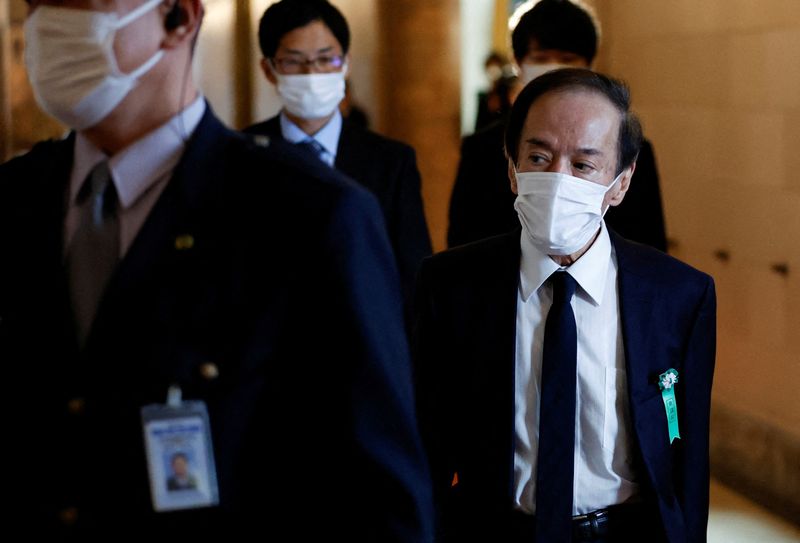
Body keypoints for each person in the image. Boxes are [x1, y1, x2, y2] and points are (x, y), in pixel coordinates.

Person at [1, 1, 433, 540]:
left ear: (179, 18)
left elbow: (381, 501)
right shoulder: (14, 202)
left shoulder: (306, 213)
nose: (46, 22)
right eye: (40, 2)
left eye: (80, 1)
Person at [414, 69, 716, 542]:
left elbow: (688, 457)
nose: (557, 179)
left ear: (620, 184)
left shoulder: (677, 295)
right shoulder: (448, 286)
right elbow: (424, 443)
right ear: (512, 169)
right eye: (539, 156)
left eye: (583, 165)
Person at [245, 0, 432, 312]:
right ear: (269, 69)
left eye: (325, 59)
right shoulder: (241, 153)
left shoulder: (390, 162)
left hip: (363, 340)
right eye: (294, 61)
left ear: (344, 63)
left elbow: (413, 275)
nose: (312, 73)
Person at [447, 0, 668, 252]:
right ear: (518, 61)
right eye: (541, 58)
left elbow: (648, 244)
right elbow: (463, 243)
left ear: (588, 62)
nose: (554, 69)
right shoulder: (482, 148)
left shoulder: (628, 148)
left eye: (566, 59)